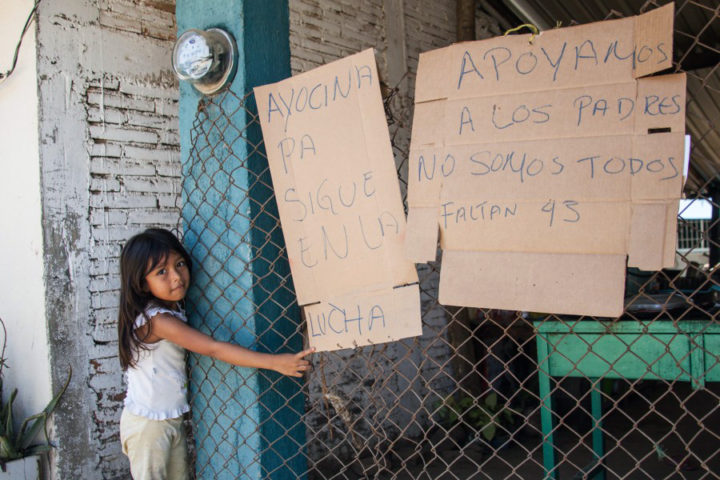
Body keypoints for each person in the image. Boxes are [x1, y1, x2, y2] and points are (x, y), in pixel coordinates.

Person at [117, 227, 314, 480]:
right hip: (148, 427)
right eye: (161, 272)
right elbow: (213, 348)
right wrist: (274, 362)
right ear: (141, 283)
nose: (176, 277)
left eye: (179, 264)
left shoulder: (171, 311)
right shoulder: (157, 320)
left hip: (170, 421)